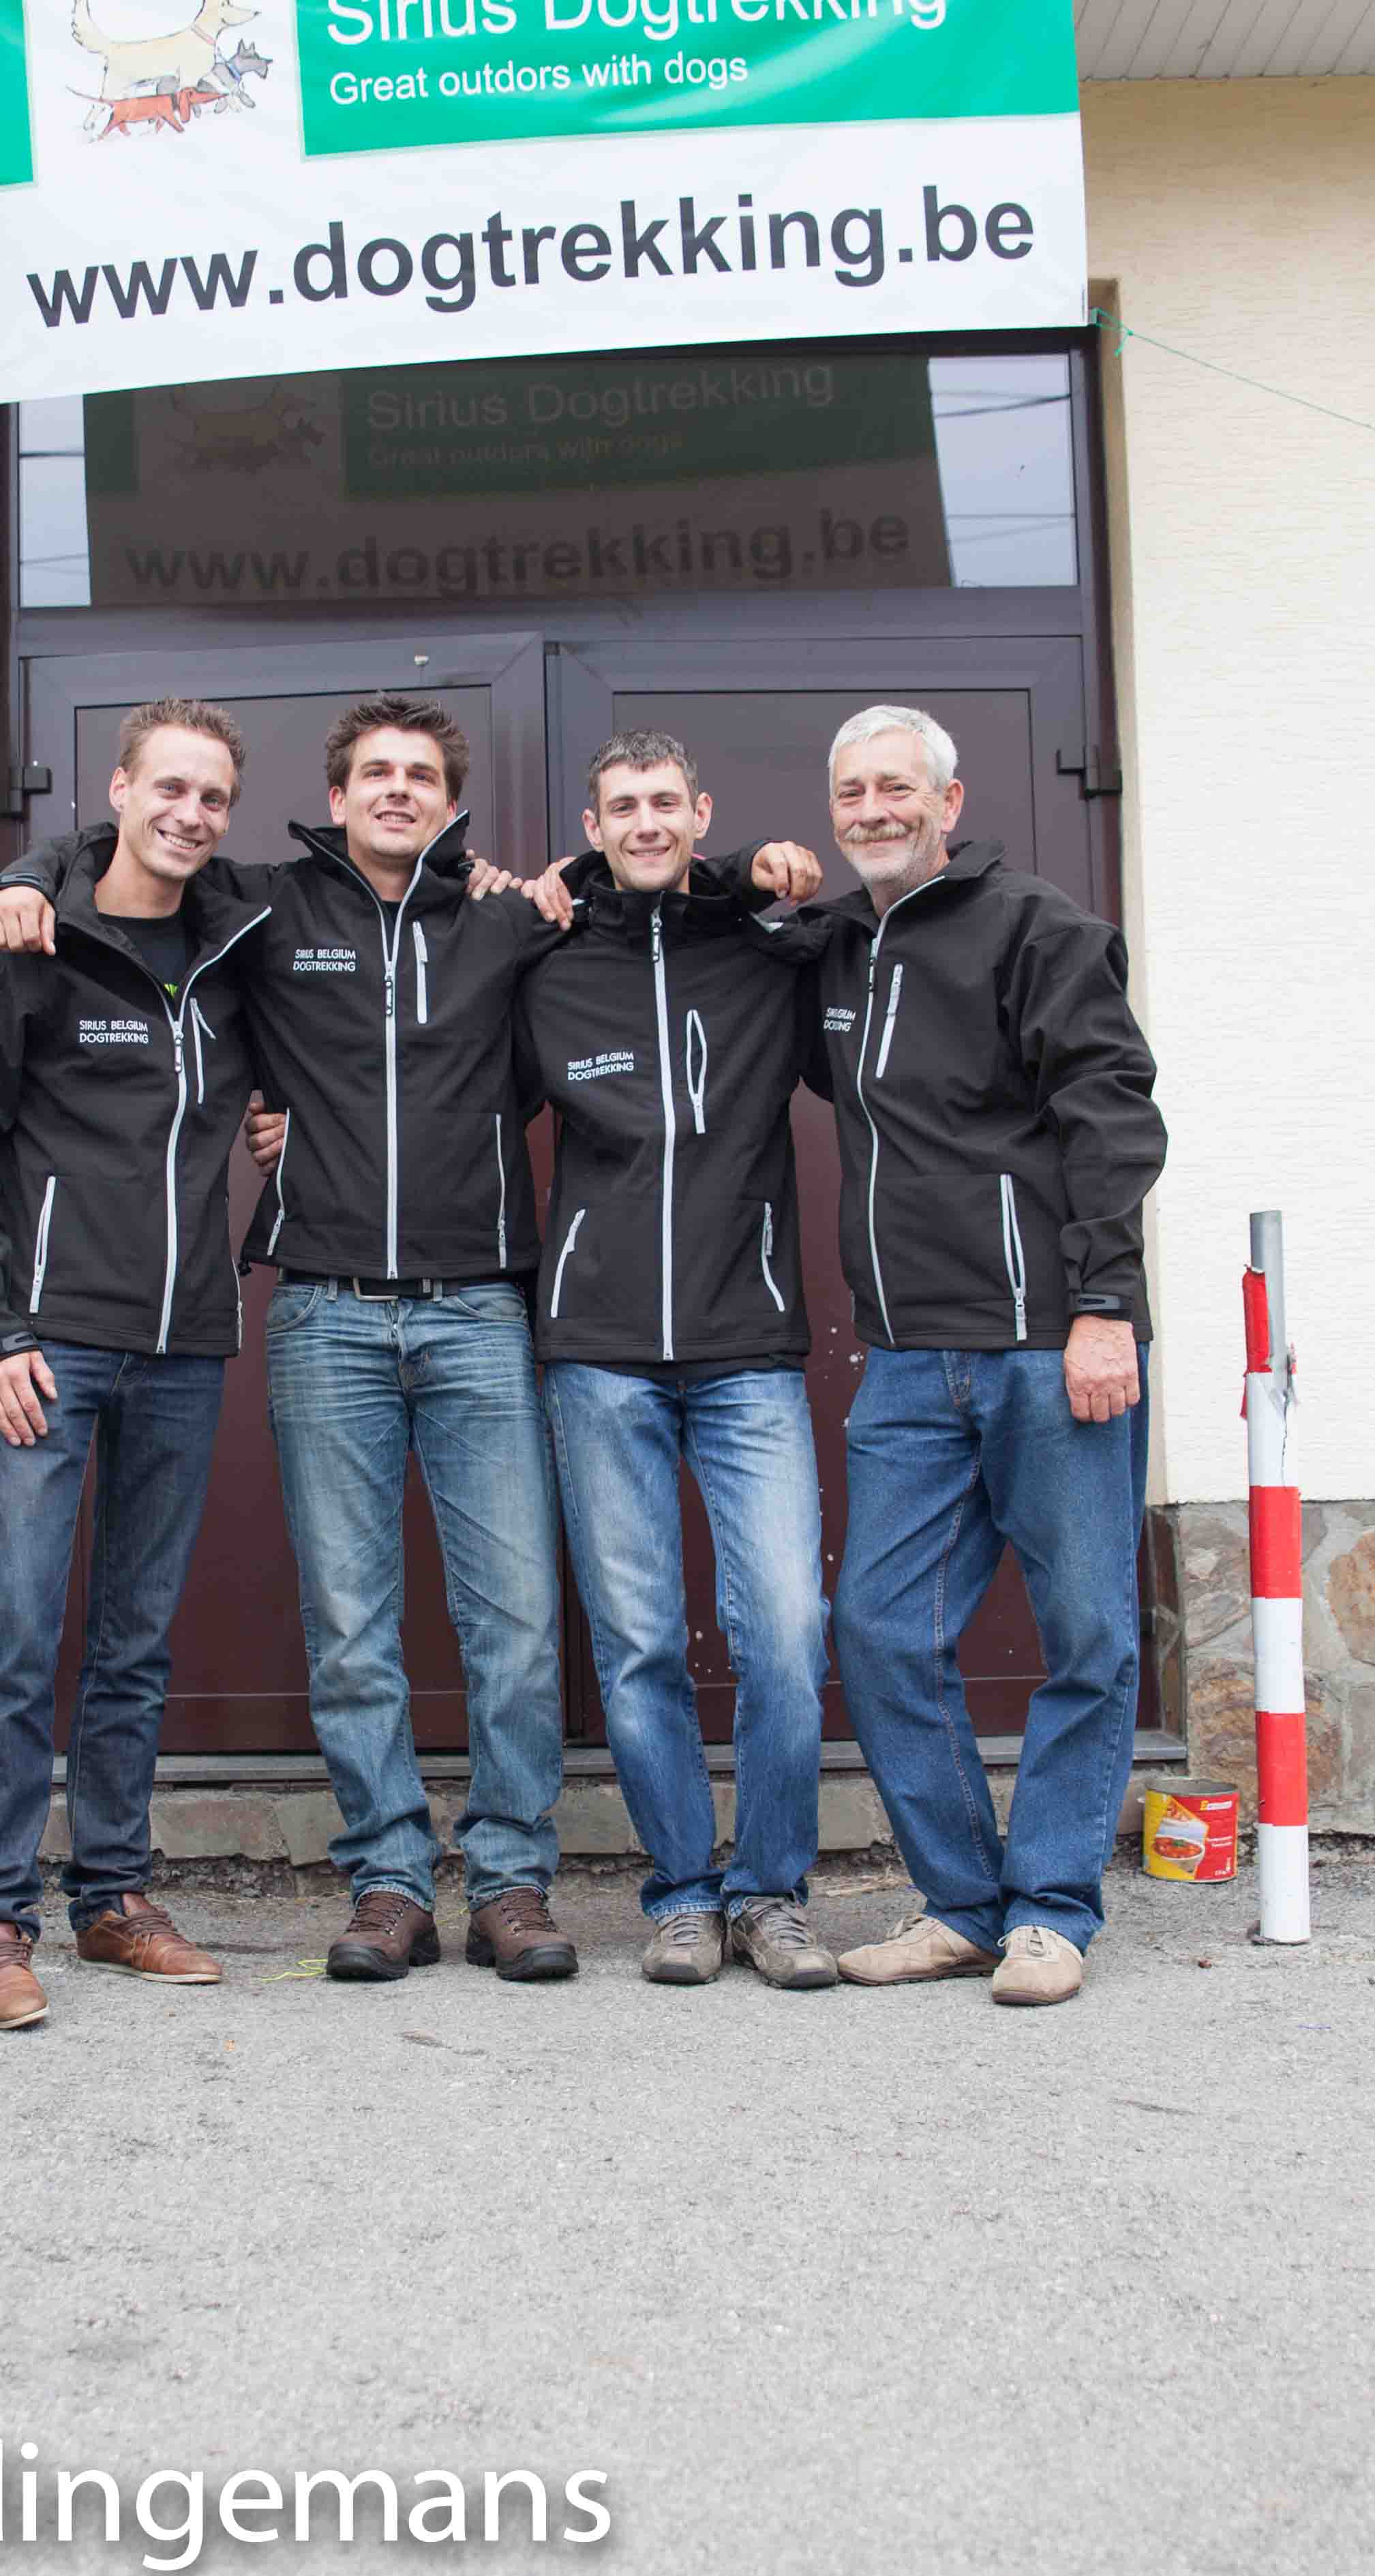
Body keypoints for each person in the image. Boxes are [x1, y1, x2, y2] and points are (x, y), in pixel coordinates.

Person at [0, 698, 579, 1985]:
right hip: (324, 1311)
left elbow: (643, 902)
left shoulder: (505, 918)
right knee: (351, 1626)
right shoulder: (264, 906)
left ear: (450, 802)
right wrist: (19, 874)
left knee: (518, 1620)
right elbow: (128, 861)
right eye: (376, 773)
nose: (399, 790)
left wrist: (745, 871)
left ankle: (513, 1879)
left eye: (422, 775)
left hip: (478, 1306)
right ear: (338, 796)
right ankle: (388, 1881)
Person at [802, 705, 1166, 2008]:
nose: (874, 809)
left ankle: (1052, 1909)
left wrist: (1105, 1303)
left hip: (1047, 1344)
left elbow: (1111, 1116)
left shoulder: (1038, 928)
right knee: (880, 1629)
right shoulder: (839, 948)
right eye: (853, 791)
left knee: (1088, 1632)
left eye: (897, 786)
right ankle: (963, 1902)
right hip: (908, 1358)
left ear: (949, 802)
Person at [0, 699, 267, 2031]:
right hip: (47, 1349)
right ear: (117, 790)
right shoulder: (23, 943)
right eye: (167, 786)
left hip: (183, 1342)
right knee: (20, 1633)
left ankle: (112, 1894)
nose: (189, 813)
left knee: (134, 1640)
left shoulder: (237, 945)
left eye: (212, 795)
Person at [516, 731, 839, 1990]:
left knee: (787, 1629)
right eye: (623, 806)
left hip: (747, 1340)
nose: (646, 821)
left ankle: (771, 1892)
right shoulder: (548, 961)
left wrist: (765, 878)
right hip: (599, 1352)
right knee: (640, 1639)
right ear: (592, 827)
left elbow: (857, 964)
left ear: (700, 812)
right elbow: (440, 1081)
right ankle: (684, 1894)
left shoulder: (761, 944)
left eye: (666, 802)